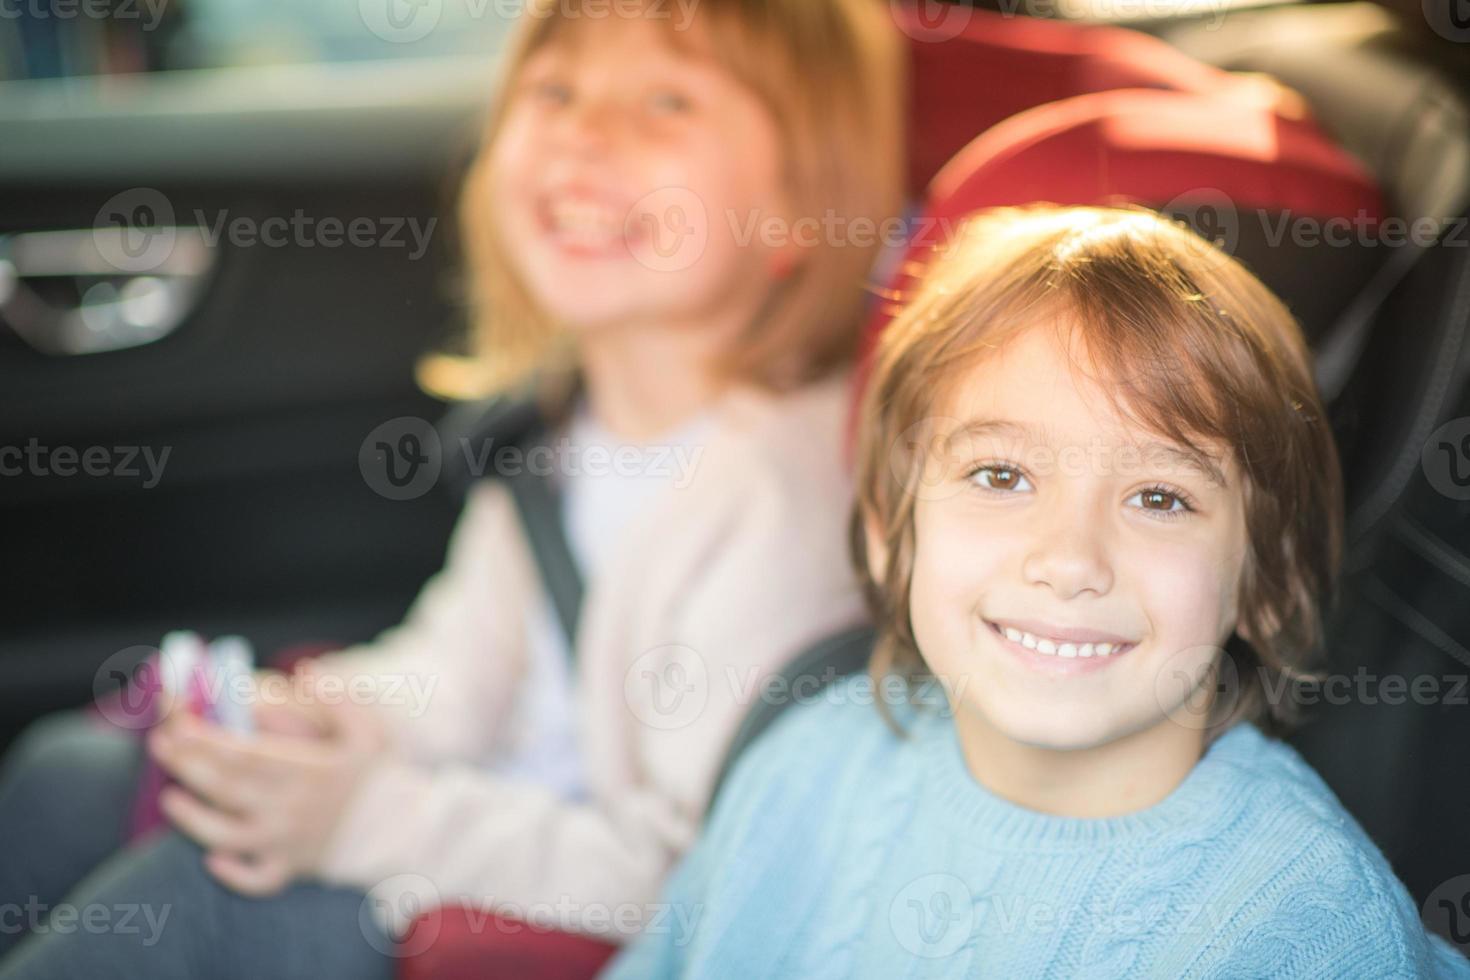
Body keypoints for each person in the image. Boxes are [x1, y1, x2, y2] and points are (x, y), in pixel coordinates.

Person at [0, 2, 903, 976]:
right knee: (74, 771)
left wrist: (364, 816)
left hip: (574, 918)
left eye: (666, 102)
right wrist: (336, 713)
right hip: (474, 826)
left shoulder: (774, 508)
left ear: (800, 211)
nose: (583, 132)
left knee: (198, 894)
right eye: (554, 90)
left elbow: (689, 876)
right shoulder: (567, 424)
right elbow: (462, 667)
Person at [604, 206, 1470, 978]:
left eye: (1160, 498)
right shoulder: (805, 767)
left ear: (1267, 580)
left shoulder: (1297, 929)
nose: (1069, 559)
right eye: (1001, 474)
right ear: (888, 529)